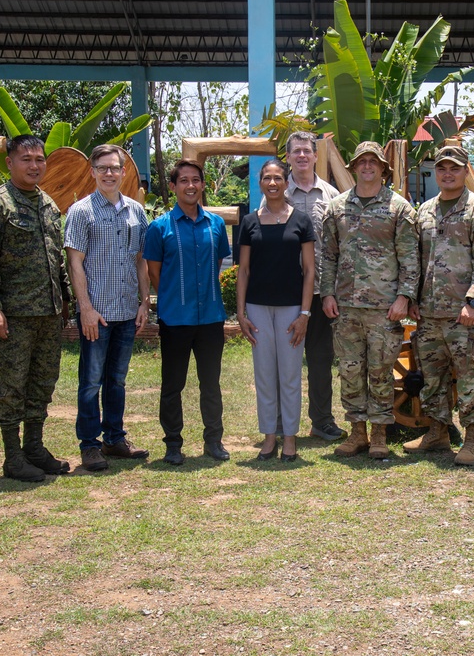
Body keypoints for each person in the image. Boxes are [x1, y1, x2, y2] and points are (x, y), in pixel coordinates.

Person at [0, 134, 71, 482]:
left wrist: (64, 300)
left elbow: (55, 257)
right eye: (26, 159)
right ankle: (12, 457)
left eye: (39, 159)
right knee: (13, 384)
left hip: (47, 312)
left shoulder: (47, 203)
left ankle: (34, 447)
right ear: (10, 162)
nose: (34, 165)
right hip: (14, 313)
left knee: (42, 382)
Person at [321, 142, 419, 459]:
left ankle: (378, 434)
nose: (366, 166)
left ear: (383, 169)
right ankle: (356, 433)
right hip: (346, 306)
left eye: (372, 162)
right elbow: (329, 256)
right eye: (361, 161)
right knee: (350, 371)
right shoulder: (336, 208)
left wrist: (405, 297)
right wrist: (327, 293)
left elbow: (410, 259)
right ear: (353, 167)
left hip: (384, 307)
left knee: (380, 372)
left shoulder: (399, 208)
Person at [403, 145, 474, 465]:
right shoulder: (426, 210)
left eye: (454, 169)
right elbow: (417, 259)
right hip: (430, 312)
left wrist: (473, 301)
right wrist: (414, 298)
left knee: (471, 378)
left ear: (465, 171)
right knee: (434, 379)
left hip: (464, 314)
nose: (447, 173)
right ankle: (438, 432)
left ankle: (473, 438)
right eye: (442, 168)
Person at [64, 145, 151, 472]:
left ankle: (114, 439)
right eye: (102, 168)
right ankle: (90, 445)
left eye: (115, 167)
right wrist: (85, 308)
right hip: (96, 314)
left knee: (116, 380)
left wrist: (145, 301)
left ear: (124, 171)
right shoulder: (81, 212)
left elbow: (140, 260)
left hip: (128, 311)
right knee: (91, 381)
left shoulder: (136, 212)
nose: (109, 173)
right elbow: (75, 263)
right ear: (93, 172)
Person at [144, 159, 231, 466]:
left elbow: (219, 263)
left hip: (210, 317)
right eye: (184, 180)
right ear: (173, 186)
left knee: (211, 383)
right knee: (172, 384)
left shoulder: (216, 225)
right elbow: (155, 274)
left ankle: (214, 440)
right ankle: (173, 443)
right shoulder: (159, 228)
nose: (190, 185)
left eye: (196, 180)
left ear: (203, 185)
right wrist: (176, 296)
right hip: (175, 319)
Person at [237, 159, 316, 462]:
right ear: (260, 182)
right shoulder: (249, 222)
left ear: (287, 182)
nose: (272, 183)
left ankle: (291, 439)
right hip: (257, 309)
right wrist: (241, 313)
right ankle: (269, 437)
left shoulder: (301, 220)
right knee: (265, 375)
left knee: (290, 375)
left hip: (292, 309)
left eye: (277, 178)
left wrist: (305, 314)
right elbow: (243, 270)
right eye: (267, 178)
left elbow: (309, 271)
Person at [285, 131, 344, 442]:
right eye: (297, 152)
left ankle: (322, 421)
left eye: (307, 151)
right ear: (289, 157)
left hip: (322, 292)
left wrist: (333, 290)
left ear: (315, 156)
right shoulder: (277, 194)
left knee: (320, 360)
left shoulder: (332, 196)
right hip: (285, 293)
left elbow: (337, 247)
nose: (303, 156)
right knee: (286, 361)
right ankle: (282, 422)